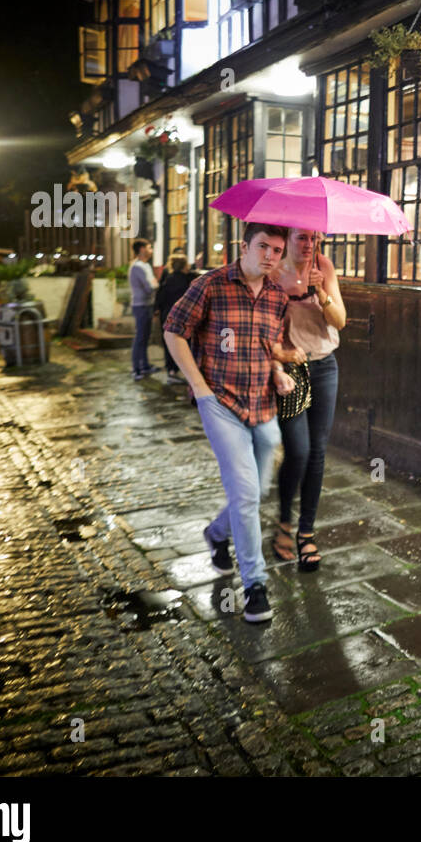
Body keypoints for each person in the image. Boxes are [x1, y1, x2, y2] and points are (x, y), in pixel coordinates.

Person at [162, 223, 294, 623]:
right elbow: (174, 331)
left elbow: (267, 343)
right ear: (244, 246)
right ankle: (255, 585)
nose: (270, 256)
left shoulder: (276, 295)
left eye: (277, 250)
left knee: (255, 492)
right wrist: (199, 387)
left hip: (262, 404)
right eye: (263, 247)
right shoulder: (211, 285)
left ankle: (217, 535)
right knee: (247, 494)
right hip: (220, 402)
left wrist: (278, 370)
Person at [268, 228, 346, 570]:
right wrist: (276, 367)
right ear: (288, 238)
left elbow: (340, 321)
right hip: (291, 368)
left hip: (325, 365)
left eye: (314, 238)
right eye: (302, 237)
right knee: (297, 451)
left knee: (317, 451)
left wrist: (320, 292)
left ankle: (306, 531)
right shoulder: (273, 273)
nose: (308, 244)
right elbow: (264, 328)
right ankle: (284, 519)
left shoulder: (325, 268)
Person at [156, 254, 194, 385]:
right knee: (185, 345)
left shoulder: (168, 279)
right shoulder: (188, 280)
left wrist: (157, 311)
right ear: (184, 266)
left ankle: (171, 371)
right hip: (183, 316)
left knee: (170, 344)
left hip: (167, 316)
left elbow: (160, 298)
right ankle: (188, 372)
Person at [128, 238, 161, 380]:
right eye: (149, 248)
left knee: (145, 337)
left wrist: (154, 284)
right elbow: (149, 287)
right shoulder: (137, 267)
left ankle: (145, 366)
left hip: (147, 304)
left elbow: (152, 284)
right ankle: (136, 369)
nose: (151, 250)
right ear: (142, 250)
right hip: (141, 305)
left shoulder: (145, 265)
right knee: (140, 338)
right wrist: (155, 285)